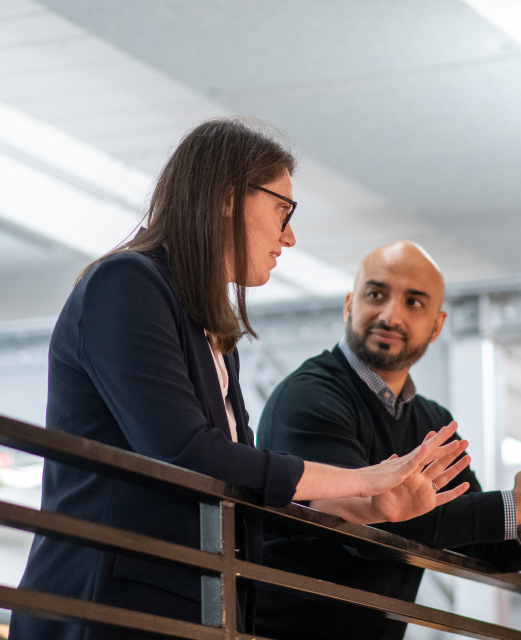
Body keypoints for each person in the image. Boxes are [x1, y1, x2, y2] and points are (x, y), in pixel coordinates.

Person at [9, 123, 470, 640]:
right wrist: (365, 479)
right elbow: (186, 452)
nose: (289, 235)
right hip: (111, 608)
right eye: (283, 210)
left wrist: (364, 508)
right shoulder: (126, 284)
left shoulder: (210, 326)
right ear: (229, 197)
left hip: (196, 606)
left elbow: (238, 484)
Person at [255, 240, 521, 640]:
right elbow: (369, 526)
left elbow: (474, 539)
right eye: (375, 294)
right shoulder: (309, 398)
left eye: (414, 303)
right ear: (349, 305)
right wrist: (518, 504)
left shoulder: (433, 421)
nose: (390, 314)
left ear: (437, 326)